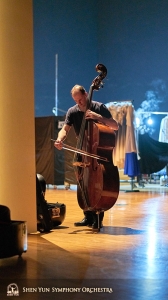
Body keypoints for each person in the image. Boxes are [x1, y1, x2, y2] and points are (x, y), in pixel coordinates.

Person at [54, 84, 118, 230]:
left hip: (97, 152)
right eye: (76, 101)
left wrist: (98, 117)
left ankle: (98, 216)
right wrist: (60, 139)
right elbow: (65, 129)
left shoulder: (99, 107)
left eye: (81, 99)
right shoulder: (72, 111)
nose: (79, 103)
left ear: (86, 95)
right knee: (83, 181)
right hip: (82, 150)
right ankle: (87, 215)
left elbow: (115, 126)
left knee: (97, 182)